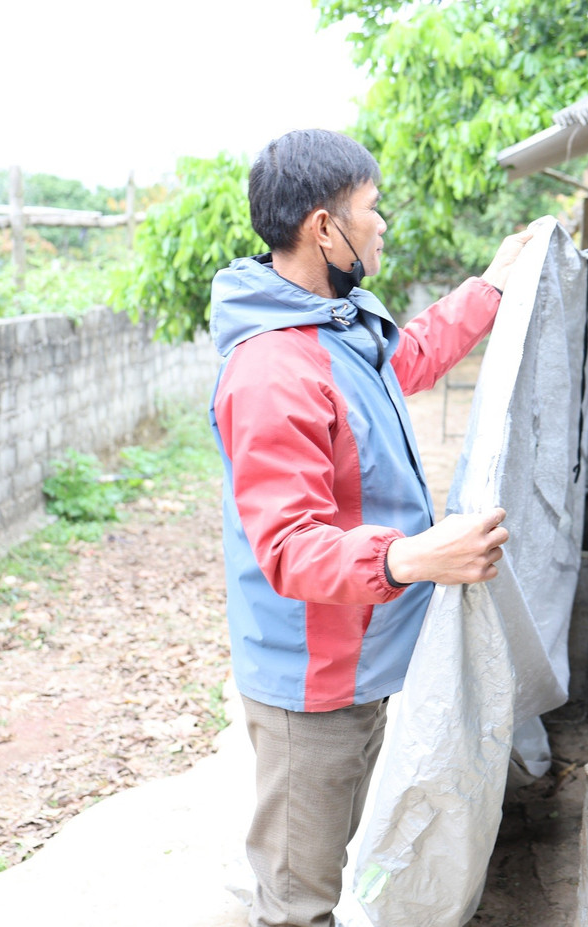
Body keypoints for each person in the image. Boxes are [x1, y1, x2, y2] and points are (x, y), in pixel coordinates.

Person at [207, 128, 532, 927]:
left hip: (363, 655)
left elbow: (408, 358)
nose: (381, 223)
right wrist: (416, 554)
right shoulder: (273, 369)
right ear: (325, 227)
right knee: (298, 897)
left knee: (335, 850)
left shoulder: (339, 322)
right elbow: (287, 547)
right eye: (369, 208)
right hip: (311, 682)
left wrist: (488, 289)